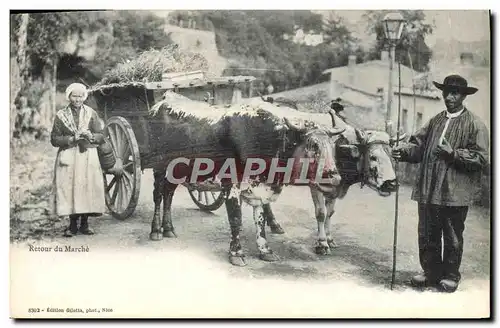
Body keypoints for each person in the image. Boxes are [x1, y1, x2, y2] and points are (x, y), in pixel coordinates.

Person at [392, 74, 489, 293]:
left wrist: (453, 154)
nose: (450, 96)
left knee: (452, 234)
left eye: (455, 93)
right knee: (427, 232)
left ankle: (451, 276)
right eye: (446, 92)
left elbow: (482, 158)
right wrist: (404, 152)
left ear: (463, 96)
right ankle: (430, 273)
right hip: (429, 188)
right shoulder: (436, 121)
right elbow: (418, 147)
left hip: (454, 192)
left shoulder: (474, 124)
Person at [51, 83, 107, 237]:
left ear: (85, 97)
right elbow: (54, 139)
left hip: (88, 155)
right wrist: (71, 138)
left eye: (80, 96)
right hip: (69, 155)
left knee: (87, 187)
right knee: (70, 188)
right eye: (74, 96)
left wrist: (91, 136)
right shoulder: (61, 116)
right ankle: (72, 225)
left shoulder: (91, 113)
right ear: (69, 97)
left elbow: (101, 135)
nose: (77, 99)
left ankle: (85, 224)